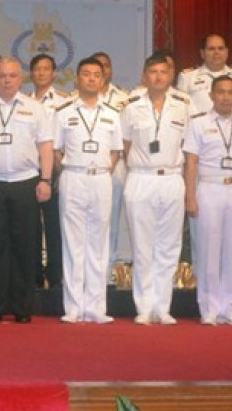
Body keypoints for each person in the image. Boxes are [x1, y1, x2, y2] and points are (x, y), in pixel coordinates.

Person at [0, 58, 53, 323]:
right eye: (2, 75)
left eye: (12, 76)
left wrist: (46, 179)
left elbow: (46, 146)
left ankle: (22, 307)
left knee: (25, 245)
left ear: (21, 79)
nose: (6, 80)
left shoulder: (35, 108)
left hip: (25, 181)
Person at [184, 75, 232, 325]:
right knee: (208, 249)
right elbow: (191, 162)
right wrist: (190, 196)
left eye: (231, 92)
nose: (226, 97)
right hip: (209, 188)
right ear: (211, 96)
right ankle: (208, 307)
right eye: (221, 92)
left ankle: (229, 306)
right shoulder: (198, 123)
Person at [120, 54, 190, 325]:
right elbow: (124, 146)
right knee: (142, 245)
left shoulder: (184, 105)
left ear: (171, 75)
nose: (158, 77)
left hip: (172, 177)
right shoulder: (131, 106)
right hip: (141, 177)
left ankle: (163, 306)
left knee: (169, 245)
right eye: (152, 72)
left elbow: (189, 145)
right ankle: (144, 306)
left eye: (163, 72)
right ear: (144, 75)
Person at [54, 57, 124, 324]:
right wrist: (74, 169)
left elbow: (117, 151)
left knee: (98, 243)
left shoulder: (112, 114)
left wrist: (102, 170)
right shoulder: (63, 112)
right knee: (73, 243)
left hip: (101, 179)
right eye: (86, 74)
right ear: (77, 78)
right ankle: (73, 307)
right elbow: (57, 150)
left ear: (103, 79)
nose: (92, 78)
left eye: (97, 74)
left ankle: (96, 307)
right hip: (73, 176)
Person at [91, 51, 132, 289]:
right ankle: (91, 271)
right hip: (89, 166)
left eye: (105, 66)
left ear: (110, 70)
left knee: (113, 220)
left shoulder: (124, 99)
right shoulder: (77, 99)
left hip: (116, 166)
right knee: (92, 221)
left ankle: (109, 270)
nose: (102, 71)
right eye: (96, 68)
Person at [29, 54, 67, 289]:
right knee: (31, 224)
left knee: (54, 224)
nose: (42, 73)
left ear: (54, 73)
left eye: (46, 69)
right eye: (37, 69)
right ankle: (33, 273)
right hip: (29, 168)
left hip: (55, 168)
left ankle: (55, 275)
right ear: (31, 74)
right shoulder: (24, 102)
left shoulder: (63, 102)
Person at [177, 34, 232, 114]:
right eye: (211, 49)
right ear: (202, 53)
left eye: (220, 48)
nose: (216, 52)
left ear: (227, 52)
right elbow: (180, 111)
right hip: (199, 126)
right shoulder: (187, 77)